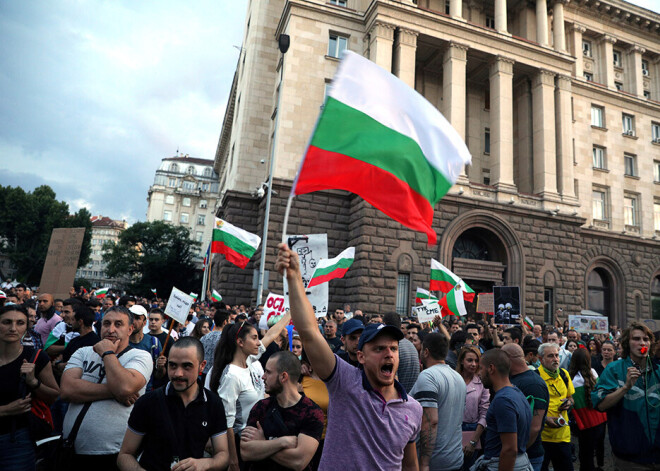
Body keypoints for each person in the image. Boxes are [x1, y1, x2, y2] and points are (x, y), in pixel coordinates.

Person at [276, 242, 422, 470]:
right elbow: (310, 333)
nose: (388, 354)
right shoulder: (344, 382)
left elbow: (410, 465)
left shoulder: (413, 409)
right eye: (379, 349)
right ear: (361, 357)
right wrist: (295, 278)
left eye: (393, 349)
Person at [60, 305, 153, 470]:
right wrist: (114, 392)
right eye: (106, 323)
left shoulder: (140, 356)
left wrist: (108, 354)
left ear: (130, 329)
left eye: (118, 324)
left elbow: (125, 387)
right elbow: (67, 390)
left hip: (112, 455)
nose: (111, 329)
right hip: (71, 450)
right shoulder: (83, 352)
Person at [117, 337, 229, 471]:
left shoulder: (213, 404)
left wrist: (204, 464)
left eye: (187, 366)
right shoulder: (148, 402)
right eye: (173, 365)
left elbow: (223, 455)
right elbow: (125, 455)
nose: (178, 373)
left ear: (202, 365)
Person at [206, 312, 292, 471]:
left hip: (258, 439)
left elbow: (273, 333)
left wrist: (292, 310)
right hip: (241, 444)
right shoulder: (231, 375)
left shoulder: (251, 360)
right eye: (253, 338)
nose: (259, 343)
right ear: (239, 342)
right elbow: (228, 423)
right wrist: (233, 461)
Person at [241, 351, 324, 470]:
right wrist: (282, 442)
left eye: (268, 372)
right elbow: (246, 452)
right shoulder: (261, 407)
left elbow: (298, 461)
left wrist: (262, 443)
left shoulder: (311, 412)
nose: (263, 376)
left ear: (283, 376)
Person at [592, 321, 660, 468]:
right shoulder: (614, 369)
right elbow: (600, 405)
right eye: (636, 339)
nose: (642, 343)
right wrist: (625, 388)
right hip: (630, 458)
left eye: (646, 339)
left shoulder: (658, 370)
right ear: (627, 344)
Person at [0, 304, 59, 471]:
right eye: (6, 322)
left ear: (27, 327)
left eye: (20, 323)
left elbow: (54, 396)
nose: (13, 328)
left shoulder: (36, 357)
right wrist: (5, 410)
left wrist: (34, 383)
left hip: (17, 441)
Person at [410, 332, 466, 471]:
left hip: (435, 462)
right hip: (454, 458)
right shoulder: (458, 377)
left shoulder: (428, 376)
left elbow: (430, 422)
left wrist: (424, 463)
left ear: (426, 352)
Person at [475, 349, 533, 471]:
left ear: (491, 368)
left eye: (481, 368)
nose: (478, 373)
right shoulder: (516, 392)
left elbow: (510, 449)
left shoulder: (503, 400)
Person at [503, 344, 549, 471]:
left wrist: (516, 451)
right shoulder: (514, 378)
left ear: (508, 358)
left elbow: (534, 427)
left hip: (528, 456)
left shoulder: (533, 384)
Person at [536, 342, 575, 471]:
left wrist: (569, 403)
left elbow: (571, 398)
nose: (555, 359)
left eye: (557, 356)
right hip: (541, 437)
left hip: (562, 435)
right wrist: (545, 419)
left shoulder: (564, 374)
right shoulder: (535, 377)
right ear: (541, 359)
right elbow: (528, 407)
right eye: (550, 356)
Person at [568, 348, 606, 471]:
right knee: (598, 446)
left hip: (584, 421)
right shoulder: (593, 373)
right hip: (599, 418)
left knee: (585, 452)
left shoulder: (570, 379)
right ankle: (599, 465)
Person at [456, 346, 489, 471]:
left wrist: (474, 441)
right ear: (461, 361)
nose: (473, 364)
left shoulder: (482, 382)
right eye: (469, 360)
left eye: (476, 361)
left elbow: (484, 413)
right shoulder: (454, 379)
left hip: (473, 431)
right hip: (453, 429)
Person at [383, 311, 420, 393]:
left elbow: (393, 380)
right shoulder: (411, 346)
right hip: (411, 398)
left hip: (399, 399)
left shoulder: (393, 348)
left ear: (384, 324)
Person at [200, 307, 229, 377]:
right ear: (225, 322)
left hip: (204, 374)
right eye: (229, 321)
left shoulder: (203, 338)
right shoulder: (225, 339)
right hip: (218, 376)